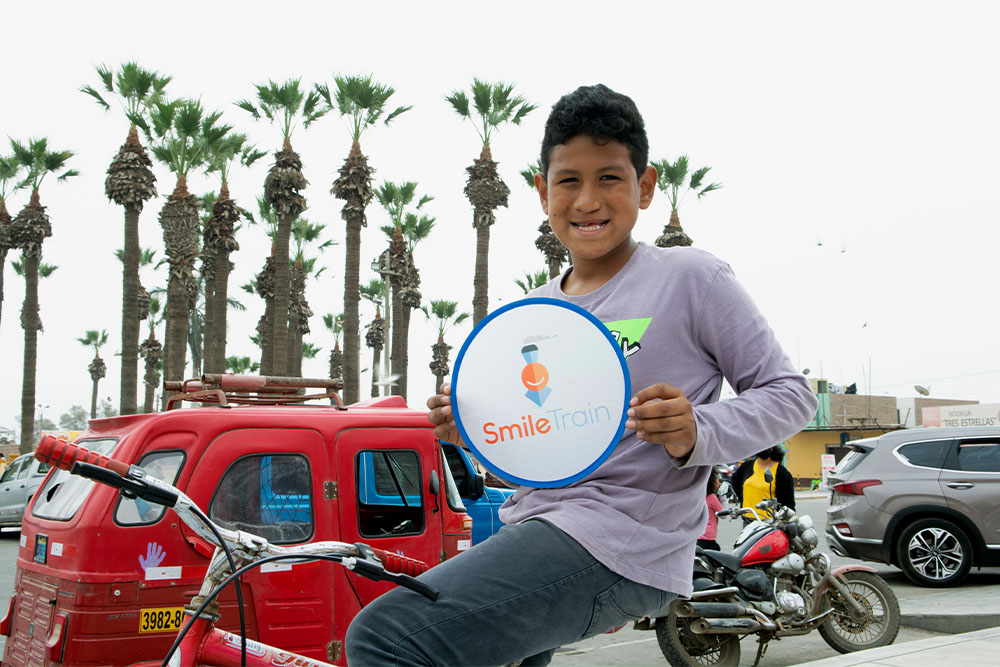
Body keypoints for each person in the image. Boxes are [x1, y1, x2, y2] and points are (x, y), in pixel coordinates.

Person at [345, 84, 818, 666]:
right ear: (543, 192)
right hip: (531, 526)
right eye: (569, 180)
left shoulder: (690, 278)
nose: (588, 200)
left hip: (620, 539)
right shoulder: (534, 311)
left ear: (644, 188)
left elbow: (791, 395)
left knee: (382, 638)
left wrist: (697, 429)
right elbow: (543, 431)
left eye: (610, 178)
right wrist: (471, 427)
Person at [731, 445, 796, 515]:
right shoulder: (746, 467)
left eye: (767, 446)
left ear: (772, 448)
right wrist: (743, 499)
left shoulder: (782, 473)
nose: (763, 449)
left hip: (771, 522)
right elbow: (735, 481)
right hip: (749, 519)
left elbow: (789, 503)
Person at [697, 469, 724, 551]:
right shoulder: (712, 497)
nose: (719, 483)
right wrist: (723, 497)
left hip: (698, 534)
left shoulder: (698, 496)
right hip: (708, 537)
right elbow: (723, 515)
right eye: (717, 481)